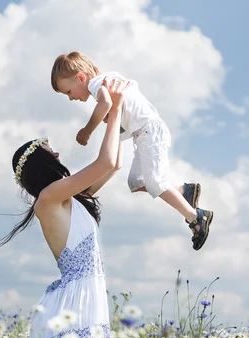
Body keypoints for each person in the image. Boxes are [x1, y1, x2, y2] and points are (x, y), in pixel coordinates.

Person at [0, 78, 129, 338]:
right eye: (48, 149)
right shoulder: (50, 197)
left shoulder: (71, 197)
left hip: (86, 295)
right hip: (77, 301)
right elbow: (105, 162)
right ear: (41, 161)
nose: (55, 151)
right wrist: (116, 106)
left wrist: (116, 120)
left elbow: (114, 165)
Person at [51, 51, 213, 251]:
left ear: (81, 78)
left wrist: (87, 130)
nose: (70, 98)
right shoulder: (110, 89)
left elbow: (106, 104)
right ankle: (183, 190)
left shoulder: (98, 86)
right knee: (136, 183)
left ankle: (195, 217)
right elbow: (114, 163)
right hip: (143, 134)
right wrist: (88, 192)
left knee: (155, 183)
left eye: (68, 92)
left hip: (150, 132)